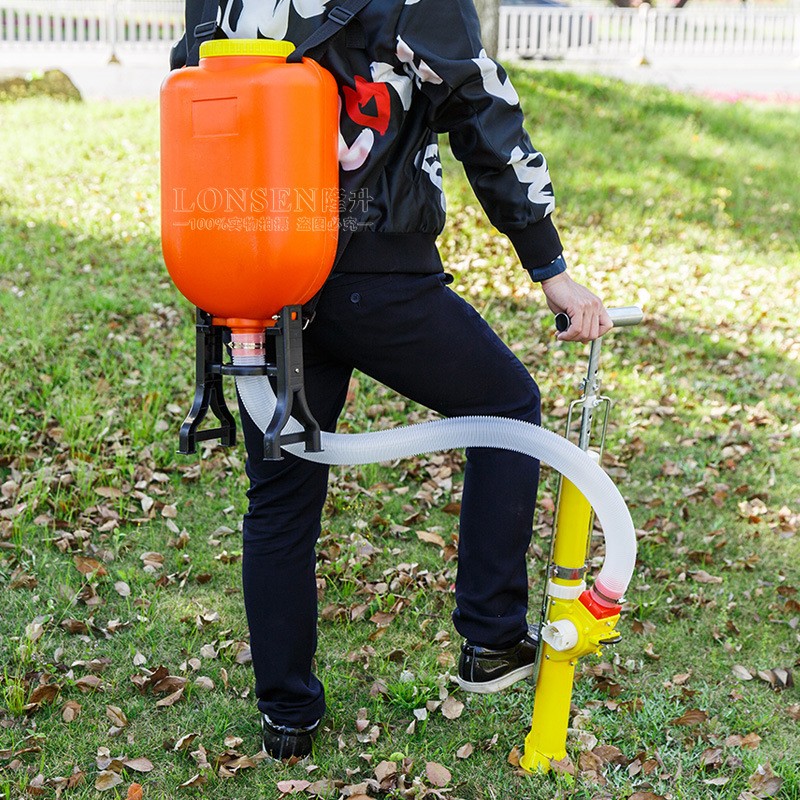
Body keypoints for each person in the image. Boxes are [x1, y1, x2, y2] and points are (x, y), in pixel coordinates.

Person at [173, 0, 612, 760]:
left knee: (280, 497)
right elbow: (481, 111)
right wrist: (550, 267)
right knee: (506, 407)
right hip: (377, 271)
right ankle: (490, 635)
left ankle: (287, 718)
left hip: (257, 273)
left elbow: (197, 98)